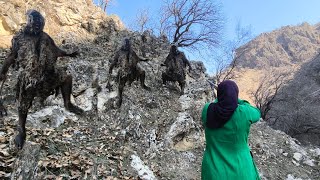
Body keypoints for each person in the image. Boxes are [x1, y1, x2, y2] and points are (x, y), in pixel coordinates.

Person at [0, 10, 83, 149]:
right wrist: (2, 71)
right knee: (23, 104)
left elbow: (56, 50)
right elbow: (11, 56)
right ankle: (21, 130)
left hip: (46, 75)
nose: (37, 26)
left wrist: (68, 54)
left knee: (66, 77)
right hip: (29, 78)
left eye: (40, 24)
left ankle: (68, 104)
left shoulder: (45, 37)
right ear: (29, 21)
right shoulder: (19, 38)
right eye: (35, 23)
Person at [201, 80, 260, 180]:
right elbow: (257, 113)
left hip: (214, 171)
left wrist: (221, 98)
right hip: (242, 170)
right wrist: (237, 100)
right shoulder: (245, 112)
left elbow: (217, 103)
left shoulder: (207, 110)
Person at [108, 38, 150, 107]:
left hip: (133, 68)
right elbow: (114, 60)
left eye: (128, 44)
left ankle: (143, 85)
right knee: (121, 85)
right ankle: (120, 99)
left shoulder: (131, 51)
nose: (126, 45)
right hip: (123, 69)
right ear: (123, 44)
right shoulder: (119, 52)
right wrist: (110, 68)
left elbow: (137, 58)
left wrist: (144, 60)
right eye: (125, 43)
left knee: (142, 72)